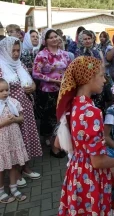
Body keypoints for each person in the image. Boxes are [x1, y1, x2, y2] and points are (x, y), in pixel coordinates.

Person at [55, 56, 114, 215]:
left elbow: (59, 143)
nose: (104, 80)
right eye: (101, 75)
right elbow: (97, 161)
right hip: (90, 178)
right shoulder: (91, 112)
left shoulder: (74, 105)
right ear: (88, 77)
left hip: (77, 173)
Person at [0, 37, 42, 188]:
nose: (16, 53)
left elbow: (30, 81)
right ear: (5, 50)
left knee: (27, 135)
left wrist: (33, 87)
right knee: (16, 140)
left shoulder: (20, 64)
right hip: (9, 112)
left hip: (25, 107)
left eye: (18, 50)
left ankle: (25, 168)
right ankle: (15, 173)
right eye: (13, 50)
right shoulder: (1, 66)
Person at [33, 28, 71, 158]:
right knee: (49, 118)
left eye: (56, 36)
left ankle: (60, 142)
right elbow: (36, 73)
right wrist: (52, 80)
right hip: (47, 91)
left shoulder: (64, 54)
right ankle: (51, 144)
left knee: (61, 117)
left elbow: (70, 70)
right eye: (51, 37)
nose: (54, 39)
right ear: (45, 40)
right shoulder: (42, 55)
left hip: (62, 90)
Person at [0, 78, 29, 204]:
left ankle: (13, 187)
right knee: (0, 168)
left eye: (6, 90)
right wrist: (4, 122)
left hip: (14, 139)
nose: (5, 93)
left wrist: (15, 119)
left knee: (13, 165)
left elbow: (21, 117)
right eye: (1, 91)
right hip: (2, 142)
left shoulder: (13, 102)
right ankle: (1, 191)